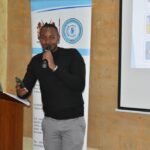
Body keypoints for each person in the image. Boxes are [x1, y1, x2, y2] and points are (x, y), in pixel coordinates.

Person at [16, 22, 86, 150]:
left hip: (73, 123)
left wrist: (54, 67)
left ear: (58, 38)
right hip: (50, 123)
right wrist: (22, 91)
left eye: (51, 37)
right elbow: (27, 86)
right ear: (39, 40)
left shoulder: (72, 55)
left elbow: (79, 85)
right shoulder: (36, 61)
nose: (47, 41)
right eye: (43, 37)